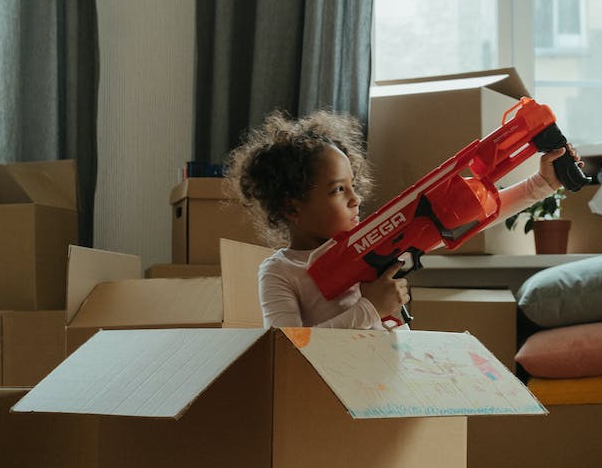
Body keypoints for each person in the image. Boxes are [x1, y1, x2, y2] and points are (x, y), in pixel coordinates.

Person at [228, 109, 580, 330]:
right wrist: (371, 308)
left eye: (353, 186)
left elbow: (465, 220)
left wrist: (542, 184)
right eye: (338, 190)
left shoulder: (376, 239)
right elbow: (289, 351)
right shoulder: (279, 271)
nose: (355, 198)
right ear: (292, 209)